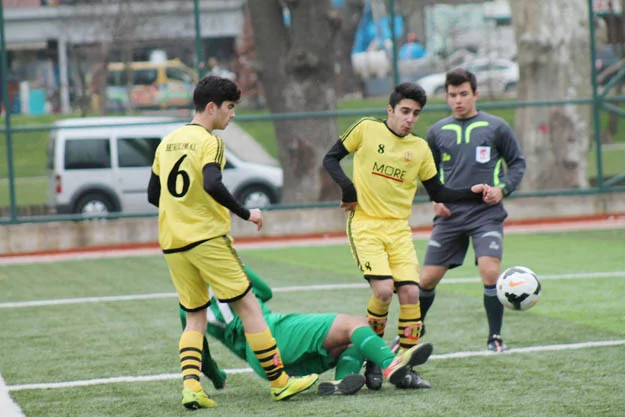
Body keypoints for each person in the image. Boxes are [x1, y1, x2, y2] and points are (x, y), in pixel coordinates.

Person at [147, 75, 318, 409]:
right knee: (248, 306)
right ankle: (280, 382)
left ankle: (191, 387)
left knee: (195, 315)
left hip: (172, 242)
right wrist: (246, 212)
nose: (233, 114)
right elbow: (212, 183)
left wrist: (182, 211)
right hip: (206, 239)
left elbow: (154, 195)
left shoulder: (167, 142)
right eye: (230, 107)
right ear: (211, 107)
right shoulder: (210, 142)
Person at [322, 82, 495, 391]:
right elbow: (330, 158)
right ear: (390, 110)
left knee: (412, 294)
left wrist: (472, 192)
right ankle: (375, 360)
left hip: (399, 230)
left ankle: (404, 366)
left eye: (415, 113)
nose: (410, 119)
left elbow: (438, 192)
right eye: (404, 111)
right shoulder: (366, 129)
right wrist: (348, 188)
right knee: (383, 291)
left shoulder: (419, 149)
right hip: (365, 225)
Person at [179, 265, 435, 396]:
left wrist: (218, 378)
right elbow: (265, 292)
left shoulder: (186, 306)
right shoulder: (228, 265)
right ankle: (390, 364)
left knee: (351, 342)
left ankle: (341, 382)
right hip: (273, 334)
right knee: (356, 325)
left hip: (263, 365)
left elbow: (201, 355)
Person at [419, 68, 526, 353]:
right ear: (446, 96)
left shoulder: (496, 127)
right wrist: (434, 198)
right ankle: (410, 334)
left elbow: (517, 163)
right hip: (449, 215)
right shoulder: (437, 131)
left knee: (490, 272)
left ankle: (495, 337)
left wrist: (502, 189)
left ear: (475, 94)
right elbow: (426, 171)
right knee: (426, 279)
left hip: (485, 213)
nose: (458, 100)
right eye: (452, 95)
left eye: (463, 94)